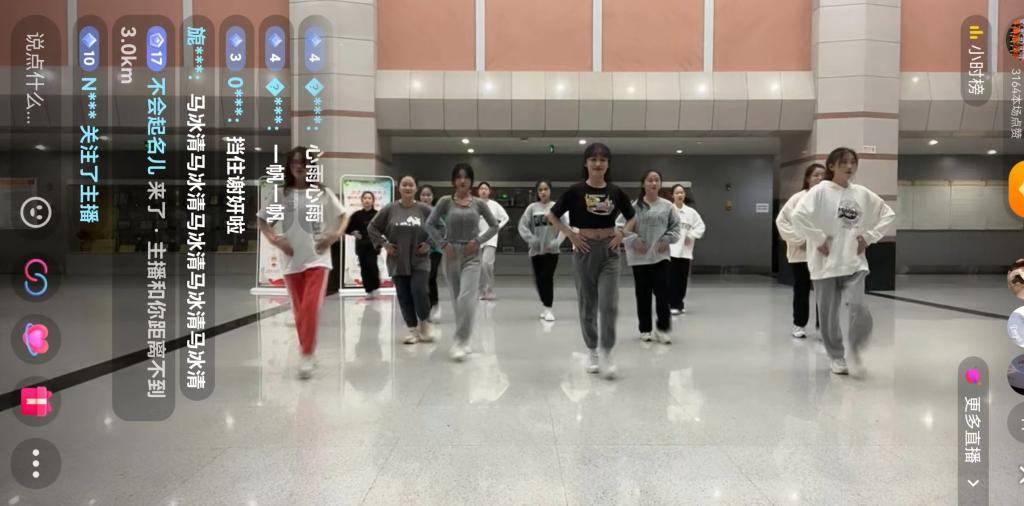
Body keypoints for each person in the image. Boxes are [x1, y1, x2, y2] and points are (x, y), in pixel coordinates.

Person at [791, 147, 895, 375]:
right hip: (825, 264)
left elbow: (888, 214)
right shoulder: (820, 191)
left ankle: (855, 348)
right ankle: (837, 357)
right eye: (844, 162)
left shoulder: (862, 193)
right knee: (828, 315)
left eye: (853, 162)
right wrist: (818, 238)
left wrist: (869, 237)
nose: (849, 166)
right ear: (832, 166)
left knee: (859, 307)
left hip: (854, 262)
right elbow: (797, 217)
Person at [257, 146, 347, 379]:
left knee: (309, 306)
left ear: (310, 167)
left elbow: (344, 216)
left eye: (303, 163)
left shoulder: (322, 193)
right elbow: (263, 220)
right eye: (294, 162)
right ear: (289, 166)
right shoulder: (281, 194)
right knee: (299, 311)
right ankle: (309, 350)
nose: (299, 166)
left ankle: (306, 355)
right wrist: (275, 240)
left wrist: (334, 236)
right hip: (291, 261)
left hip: (318, 258)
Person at [548, 143, 636, 379]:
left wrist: (621, 234)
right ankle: (592, 351)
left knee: (609, 304)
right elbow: (552, 215)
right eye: (593, 159)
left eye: (603, 160)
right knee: (587, 304)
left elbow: (632, 217)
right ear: (586, 163)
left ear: (608, 164)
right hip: (584, 250)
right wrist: (571, 235)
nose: (598, 164)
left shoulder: (615, 192)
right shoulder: (575, 191)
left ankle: (607, 352)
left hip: (609, 251)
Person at [425, 163, 500, 362]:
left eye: (466, 177)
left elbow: (494, 226)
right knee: (457, 299)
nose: (462, 180)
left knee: (466, 298)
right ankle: (465, 339)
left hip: (472, 255)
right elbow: (429, 224)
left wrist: (478, 241)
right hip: (451, 254)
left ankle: (460, 340)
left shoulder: (479, 204)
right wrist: (442, 244)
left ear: (471, 181)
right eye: (458, 177)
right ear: (453, 181)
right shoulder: (445, 202)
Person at [368, 176, 436, 345]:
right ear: (399, 188)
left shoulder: (424, 209)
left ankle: (425, 323)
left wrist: (429, 244)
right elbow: (372, 227)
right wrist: (384, 244)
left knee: (419, 290)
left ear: (416, 189)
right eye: (404, 185)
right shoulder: (390, 209)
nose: (407, 187)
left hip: (420, 259)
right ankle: (412, 330)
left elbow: (441, 227)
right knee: (404, 295)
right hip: (397, 260)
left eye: (411, 185)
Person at [621, 170, 681, 344]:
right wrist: (634, 240)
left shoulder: (667, 206)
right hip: (640, 259)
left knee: (663, 294)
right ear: (643, 184)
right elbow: (620, 226)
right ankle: (645, 329)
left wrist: (667, 239)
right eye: (650, 180)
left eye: (657, 180)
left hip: (661, 257)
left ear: (660, 184)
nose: (654, 183)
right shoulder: (634, 206)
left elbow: (676, 228)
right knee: (643, 294)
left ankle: (662, 329)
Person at [776, 163, 827, 338]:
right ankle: (799, 324)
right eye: (816, 175)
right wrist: (801, 241)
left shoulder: (830, 199)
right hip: (801, 254)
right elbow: (782, 221)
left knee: (824, 292)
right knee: (801, 290)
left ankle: (824, 327)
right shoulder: (797, 199)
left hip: (823, 254)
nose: (820, 178)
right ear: (807, 178)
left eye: (823, 175)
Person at [518, 180, 568, 322]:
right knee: (539, 280)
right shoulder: (532, 208)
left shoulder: (556, 207)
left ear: (550, 190)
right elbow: (523, 226)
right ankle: (545, 305)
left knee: (547, 277)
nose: (543, 192)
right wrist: (531, 239)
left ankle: (548, 308)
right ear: (537, 192)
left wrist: (557, 242)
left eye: (546, 189)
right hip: (536, 251)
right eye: (540, 190)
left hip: (552, 251)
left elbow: (565, 227)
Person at [667, 184, 705, 315]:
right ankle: (672, 304)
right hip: (670, 252)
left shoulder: (691, 212)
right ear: (672, 195)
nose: (680, 195)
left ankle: (679, 303)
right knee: (671, 279)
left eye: (682, 192)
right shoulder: (668, 210)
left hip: (685, 252)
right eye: (677, 193)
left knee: (682, 280)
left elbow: (700, 226)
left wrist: (691, 235)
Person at [475, 182, 509, 300]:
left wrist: (497, 228)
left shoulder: (494, 205)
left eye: (486, 189)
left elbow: (505, 218)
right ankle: (480, 291)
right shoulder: (474, 204)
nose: (483, 190)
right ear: (478, 191)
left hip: (491, 238)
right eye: (481, 189)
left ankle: (489, 290)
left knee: (486, 264)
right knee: (479, 266)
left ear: (489, 191)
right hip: (477, 239)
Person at [345, 191, 381, 299]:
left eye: (369, 198)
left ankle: (375, 287)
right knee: (364, 268)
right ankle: (368, 290)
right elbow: (347, 228)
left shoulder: (377, 214)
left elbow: (383, 228)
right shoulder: (357, 215)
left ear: (373, 201)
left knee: (372, 266)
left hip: (373, 245)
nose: (367, 200)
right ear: (362, 200)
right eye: (365, 198)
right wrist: (353, 233)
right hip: (361, 245)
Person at [417, 184, 444, 321]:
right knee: (421, 279)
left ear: (433, 197)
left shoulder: (436, 212)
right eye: (423, 195)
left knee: (430, 277)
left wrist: (430, 243)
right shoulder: (415, 210)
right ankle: (424, 307)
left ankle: (435, 305)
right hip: (419, 251)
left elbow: (442, 229)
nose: (426, 197)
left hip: (435, 250)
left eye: (428, 195)